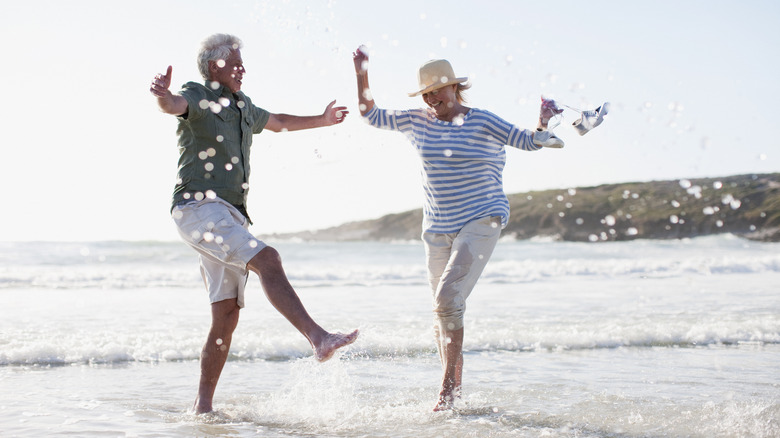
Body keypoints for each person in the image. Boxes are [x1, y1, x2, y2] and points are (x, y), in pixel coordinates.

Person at [149, 33, 358, 414]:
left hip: (229, 215)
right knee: (269, 259)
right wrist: (163, 95)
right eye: (235, 62)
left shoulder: (242, 106)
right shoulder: (196, 94)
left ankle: (203, 406)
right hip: (198, 208)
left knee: (226, 314)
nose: (242, 68)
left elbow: (277, 121)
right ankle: (318, 338)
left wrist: (323, 120)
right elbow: (174, 105)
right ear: (215, 66)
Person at [352, 47, 563, 411]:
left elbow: (529, 141)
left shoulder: (482, 120)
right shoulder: (416, 120)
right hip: (437, 229)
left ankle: (447, 390)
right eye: (427, 93)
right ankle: (455, 386)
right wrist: (362, 73)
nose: (433, 98)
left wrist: (542, 121)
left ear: (455, 89)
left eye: (439, 90)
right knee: (443, 311)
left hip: (483, 217)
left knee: (447, 299)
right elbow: (369, 114)